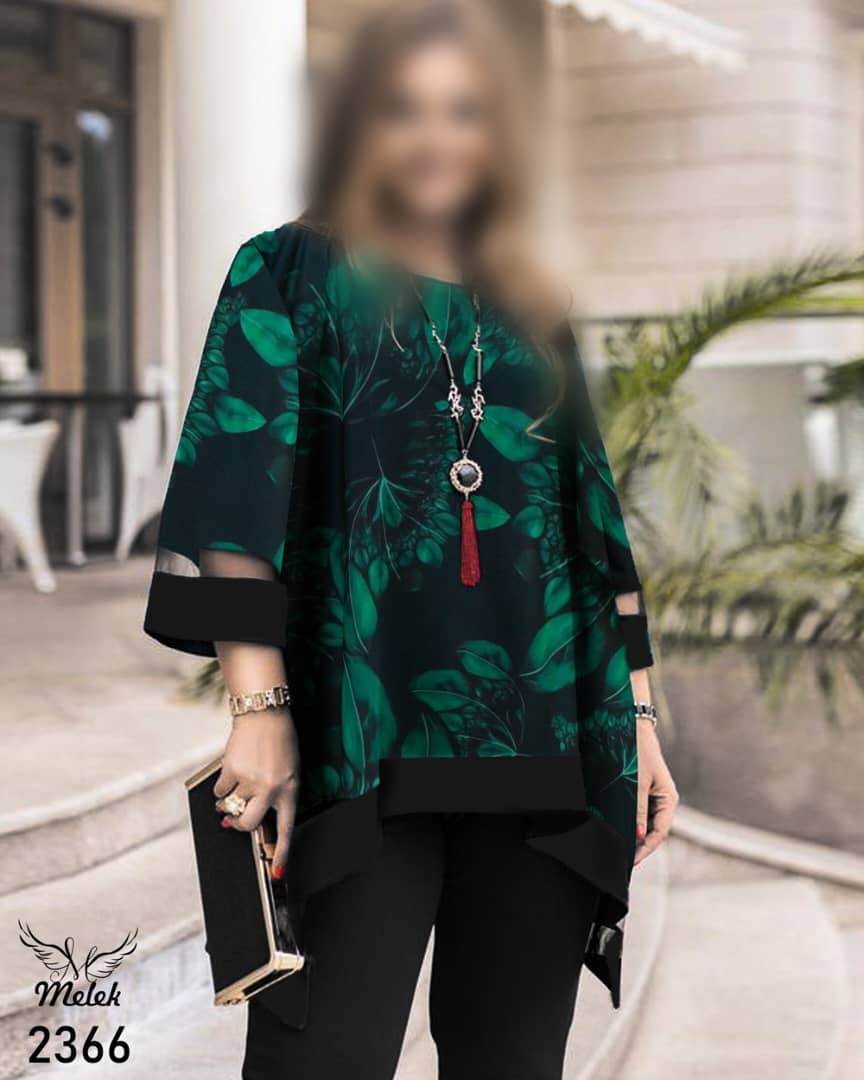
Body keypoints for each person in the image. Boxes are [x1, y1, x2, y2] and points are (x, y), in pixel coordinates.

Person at [144, 2, 678, 1077]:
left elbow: (592, 526)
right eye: (404, 108)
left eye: (465, 111)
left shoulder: (532, 300)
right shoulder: (285, 271)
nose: (437, 137)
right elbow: (232, 502)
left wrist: (641, 717)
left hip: (547, 750)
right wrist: (259, 710)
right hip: (361, 748)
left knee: (514, 1060)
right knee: (322, 1059)